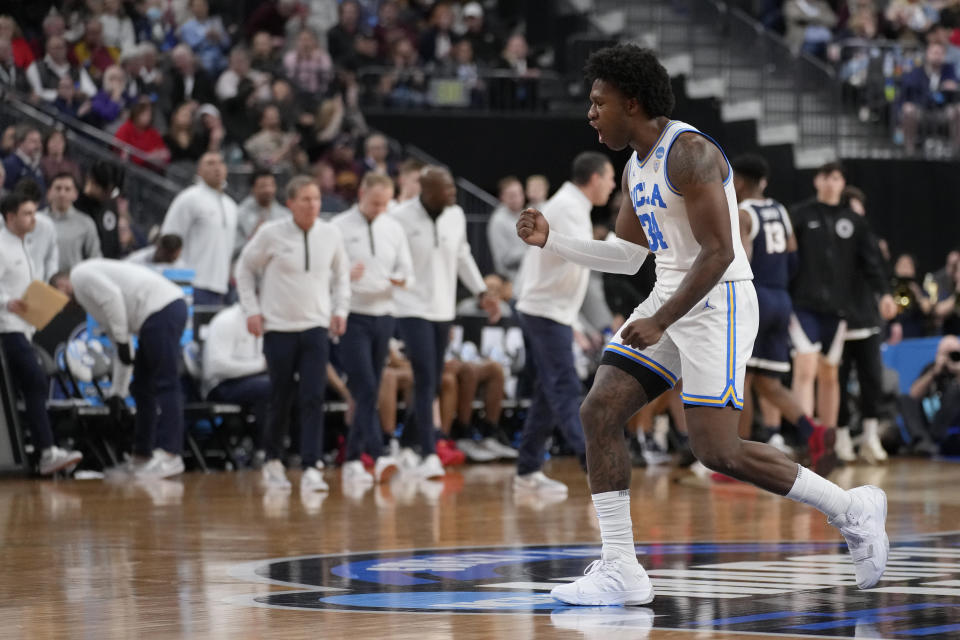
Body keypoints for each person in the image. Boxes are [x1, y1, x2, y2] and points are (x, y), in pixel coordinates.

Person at [516, 44, 888, 606]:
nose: (591, 114)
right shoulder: (634, 165)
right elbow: (626, 256)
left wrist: (660, 320)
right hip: (669, 299)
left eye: (600, 102)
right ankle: (621, 567)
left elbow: (718, 252)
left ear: (632, 102)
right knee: (599, 410)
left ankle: (852, 509)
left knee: (719, 452)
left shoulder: (689, 152)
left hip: (720, 305)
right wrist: (553, 241)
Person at [236, 176, 350, 493]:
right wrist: (251, 310)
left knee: (313, 397)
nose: (313, 205)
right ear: (290, 204)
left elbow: (342, 276)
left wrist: (340, 310)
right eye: (305, 199)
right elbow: (243, 270)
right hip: (279, 329)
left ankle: (312, 465)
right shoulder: (271, 234)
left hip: (315, 326)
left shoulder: (330, 233)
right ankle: (273, 460)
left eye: (316, 199)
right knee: (280, 397)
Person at [513, 152, 617, 495]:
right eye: (610, 177)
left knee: (548, 392)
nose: (613, 184)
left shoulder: (572, 205)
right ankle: (595, 468)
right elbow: (581, 253)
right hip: (544, 311)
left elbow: (570, 266)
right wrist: (620, 245)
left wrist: (574, 321)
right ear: (595, 178)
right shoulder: (569, 208)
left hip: (550, 310)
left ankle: (527, 470)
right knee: (565, 388)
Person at [389, 166, 499, 478]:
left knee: (433, 379)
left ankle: (406, 443)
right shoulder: (399, 218)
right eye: (446, 189)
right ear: (427, 191)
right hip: (410, 308)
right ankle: (428, 453)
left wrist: (481, 292)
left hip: (442, 308)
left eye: (452, 187)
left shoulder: (456, 216)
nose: (453, 193)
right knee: (426, 377)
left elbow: (462, 255)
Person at [731, 154, 835, 471]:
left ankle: (739, 457)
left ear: (741, 181)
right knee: (769, 384)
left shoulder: (743, 214)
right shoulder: (781, 211)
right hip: (781, 298)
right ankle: (813, 432)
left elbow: (740, 261)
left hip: (755, 296)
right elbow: (792, 258)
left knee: (743, 380)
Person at [790, 164, 893, 462]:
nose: (831, 182)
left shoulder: (854, 222)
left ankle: (829, 442)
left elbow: (871, 263)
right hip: (803, 306)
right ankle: (807, 436)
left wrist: (884, 293)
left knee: (830, 375)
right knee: (805, 369)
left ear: (842, 182)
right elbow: (787, 257)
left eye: (836, 177)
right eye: (826, 176)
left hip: (837, 311)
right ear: (816, 180)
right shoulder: (800, 214)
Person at [69, 258, 187, 478]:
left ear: (62, 283)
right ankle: (142, 456)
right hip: (157, 313)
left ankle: (171, 455)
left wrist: (123, 340)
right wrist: (117, 392)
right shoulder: (88, 298)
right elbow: (120, 345)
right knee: (142, 386)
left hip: (162, 308)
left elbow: (113, 299)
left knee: (165, 382)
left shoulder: (79, 274)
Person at [332, 173, 413, 489]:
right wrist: (343, 275)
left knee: (368, 388)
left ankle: (352, 459)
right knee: (365, 386)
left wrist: (397, 279)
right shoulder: (338, 227)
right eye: (375, 202)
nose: (380, 208)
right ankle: (378, 455)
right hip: (352, 315)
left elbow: (407, 271)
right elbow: (325, 275)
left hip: (384, 315)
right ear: (361, 193)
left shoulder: (393, 227)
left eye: (385, 203)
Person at [0, 193, 83, 475]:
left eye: (34, 213)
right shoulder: (1, 245)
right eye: (27, 214)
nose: (34, 219)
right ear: (10, 217)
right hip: (6, 329)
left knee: (33, 385)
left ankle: (40, 451)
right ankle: (47, 452)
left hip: (23, 329)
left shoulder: (24, 246)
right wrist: (6, 302)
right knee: (35, 382)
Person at [836, 186, 897, 464]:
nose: (859, 215)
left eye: (861, 209)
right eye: (854, 209)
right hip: (837, 319)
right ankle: (840, 437)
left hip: (867, 320)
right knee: (836, 382)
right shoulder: (830, 238)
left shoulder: (868, 239)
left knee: (871, 379)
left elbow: (877, 271)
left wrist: (885, 295)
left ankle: (870, 437)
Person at [160, 152, 237, 305]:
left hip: (221, 287)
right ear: (199, 171)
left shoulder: (232, 206)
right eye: (210, 163)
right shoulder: (189, 198)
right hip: (192, 284)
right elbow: (169, 237)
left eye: (220, 163)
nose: (217, 167)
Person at [202, 303, 271, 448]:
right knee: (267, 387)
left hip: (252, 381)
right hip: (221, 385)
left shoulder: (266, 321)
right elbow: (215, 366)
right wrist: (260, 365)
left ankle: (294, 450)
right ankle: (266, 450)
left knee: (290, 384)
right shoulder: (226, 321)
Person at [39, 173, 102, 272]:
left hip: (71, 283)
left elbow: (95, 258)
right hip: (40, 281)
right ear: (49, 193)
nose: (62, 193)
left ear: (75, 194)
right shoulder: (37, 220)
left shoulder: (86, 223)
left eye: (67, 189)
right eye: (58, 188)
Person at [235, 169, 290, 253]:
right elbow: (235, 248)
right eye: (263, 186)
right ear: (253, 189)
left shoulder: (285, 215)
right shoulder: (240, 214)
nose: (268, 190)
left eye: (271, 185)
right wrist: (254, 237)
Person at [74, 161, 121, 259]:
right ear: (92, 181)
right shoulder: (76, 206)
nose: (108, 195)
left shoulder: (110, 204)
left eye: (111, 192)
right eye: (105, 191)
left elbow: (114, 240)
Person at [486, 175, 528, 283]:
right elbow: (504, 259)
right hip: (511, 282)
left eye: (519, 194)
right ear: (502, 197)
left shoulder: (525, 214)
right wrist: (533, 250)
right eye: (512, 195)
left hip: (527, 277)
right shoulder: (498, 220)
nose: (517, 198)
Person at [3, 125, 44, 193]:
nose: (38, 145)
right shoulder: (9, 164)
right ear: (20, 143)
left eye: (39, 141)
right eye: (33, 141)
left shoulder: (38, 167)